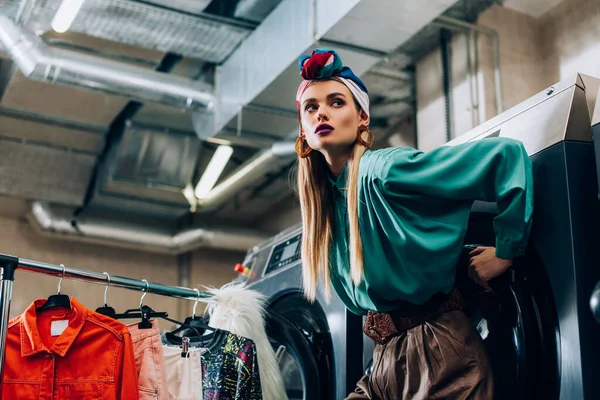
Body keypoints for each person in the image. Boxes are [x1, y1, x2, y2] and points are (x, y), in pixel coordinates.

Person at [294, 48, 533, 399]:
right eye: (311, 107)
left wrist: (507, 251)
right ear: (303, 129)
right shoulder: (324, 205)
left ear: (362, 118)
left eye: (336, 102)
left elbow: (505, 156)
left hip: (439, 356)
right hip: (387, 359)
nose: (322, 113)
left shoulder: (384, 171)